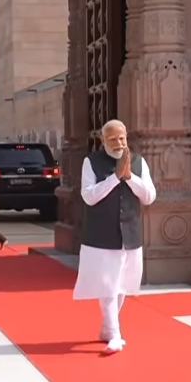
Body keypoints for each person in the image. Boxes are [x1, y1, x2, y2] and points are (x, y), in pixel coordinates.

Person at [73, 119, 156, 354]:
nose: (118, 143)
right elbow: (89, 196)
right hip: (101, 235)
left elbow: (149, 196)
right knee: (107, 286)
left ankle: (107, 328)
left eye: (122, 138)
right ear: (103, 141)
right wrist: (114, 178)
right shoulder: (91, 162)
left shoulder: (138, 162)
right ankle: (116, 335)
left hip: (129, 234)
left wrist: (129, 177)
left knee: (122, 286)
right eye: (112, 139)